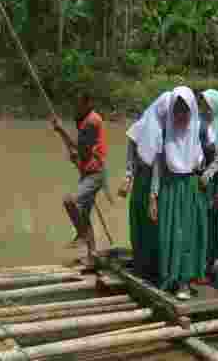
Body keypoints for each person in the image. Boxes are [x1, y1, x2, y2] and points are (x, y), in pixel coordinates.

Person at [134, 87, 208, 300]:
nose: (181, 115)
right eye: (177, 110)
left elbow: (201, 164)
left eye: (185, 110)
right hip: (170, 189)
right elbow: (157, 168)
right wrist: (153, 197)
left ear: (192, 111)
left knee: (187, 235)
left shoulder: (195, 134)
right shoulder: (164, 134)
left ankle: (184, 281)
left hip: (190, 189)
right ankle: (170, 277)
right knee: (169, 234)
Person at [52, 91, 107, 266]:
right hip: (88, 173)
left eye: (79, 104)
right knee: (83, 214)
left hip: (94, 174)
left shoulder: (92, 121)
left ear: (87, 103)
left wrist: (61, 130)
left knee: (70, 201)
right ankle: (92, 255)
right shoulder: (84, 120)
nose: (76, 107)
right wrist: (63, 137)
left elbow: (79, 148)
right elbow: (80, 152)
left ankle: (82, 234)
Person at [120, 94, 170, 281]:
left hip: (151, 181)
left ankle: (148, 264)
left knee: (148, 222)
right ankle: (144, 264)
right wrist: (128, 177)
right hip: (146, 180)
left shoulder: (160, 129)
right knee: (143, 220)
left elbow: (135, 158)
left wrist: (129, 177)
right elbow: (134, 156)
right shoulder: (148, 128)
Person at [199, 90, 218, 280]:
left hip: (214, 182)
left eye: (208, 106)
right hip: (199, 181)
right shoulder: (200, 125)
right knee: (199, 221)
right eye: (203, 105)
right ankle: (198, 261)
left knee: (212, 222)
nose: (205, 109)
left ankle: (210, 262)